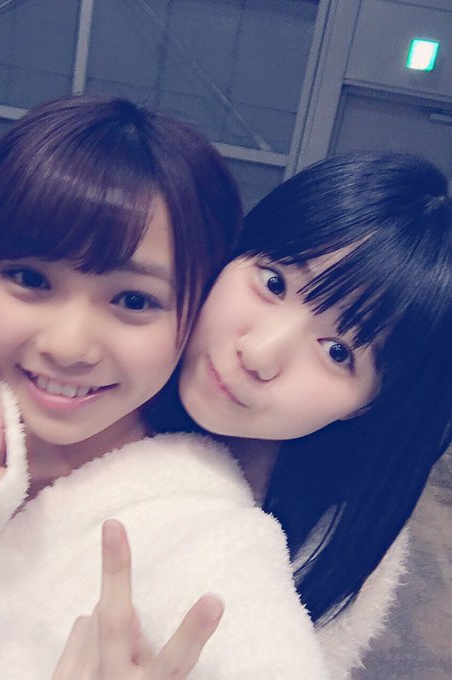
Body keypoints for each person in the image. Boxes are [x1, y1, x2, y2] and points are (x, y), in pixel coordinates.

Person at [0, 96, 331, 679]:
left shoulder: (207, 540)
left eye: (133, 299)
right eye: (30, 278)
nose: (69, 345)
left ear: (195, 315)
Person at [53, 151, 452, 679]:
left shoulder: (320, 547)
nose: (259, 353)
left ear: (370, 405)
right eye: (273, 283)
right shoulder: (71, 370)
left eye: (338, 352)